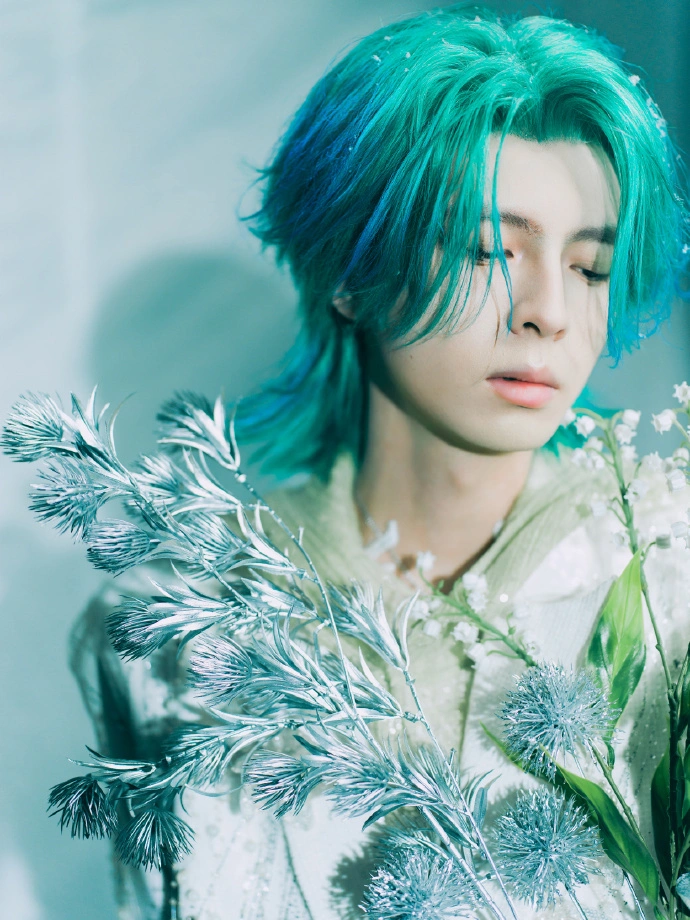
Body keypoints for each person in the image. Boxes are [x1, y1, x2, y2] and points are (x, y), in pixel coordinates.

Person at [71, 5, 690, 919]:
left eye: (590, 268)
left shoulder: (669, 588)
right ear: (350, 273)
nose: (550, 312)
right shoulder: (178, 631)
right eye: (490, 250)